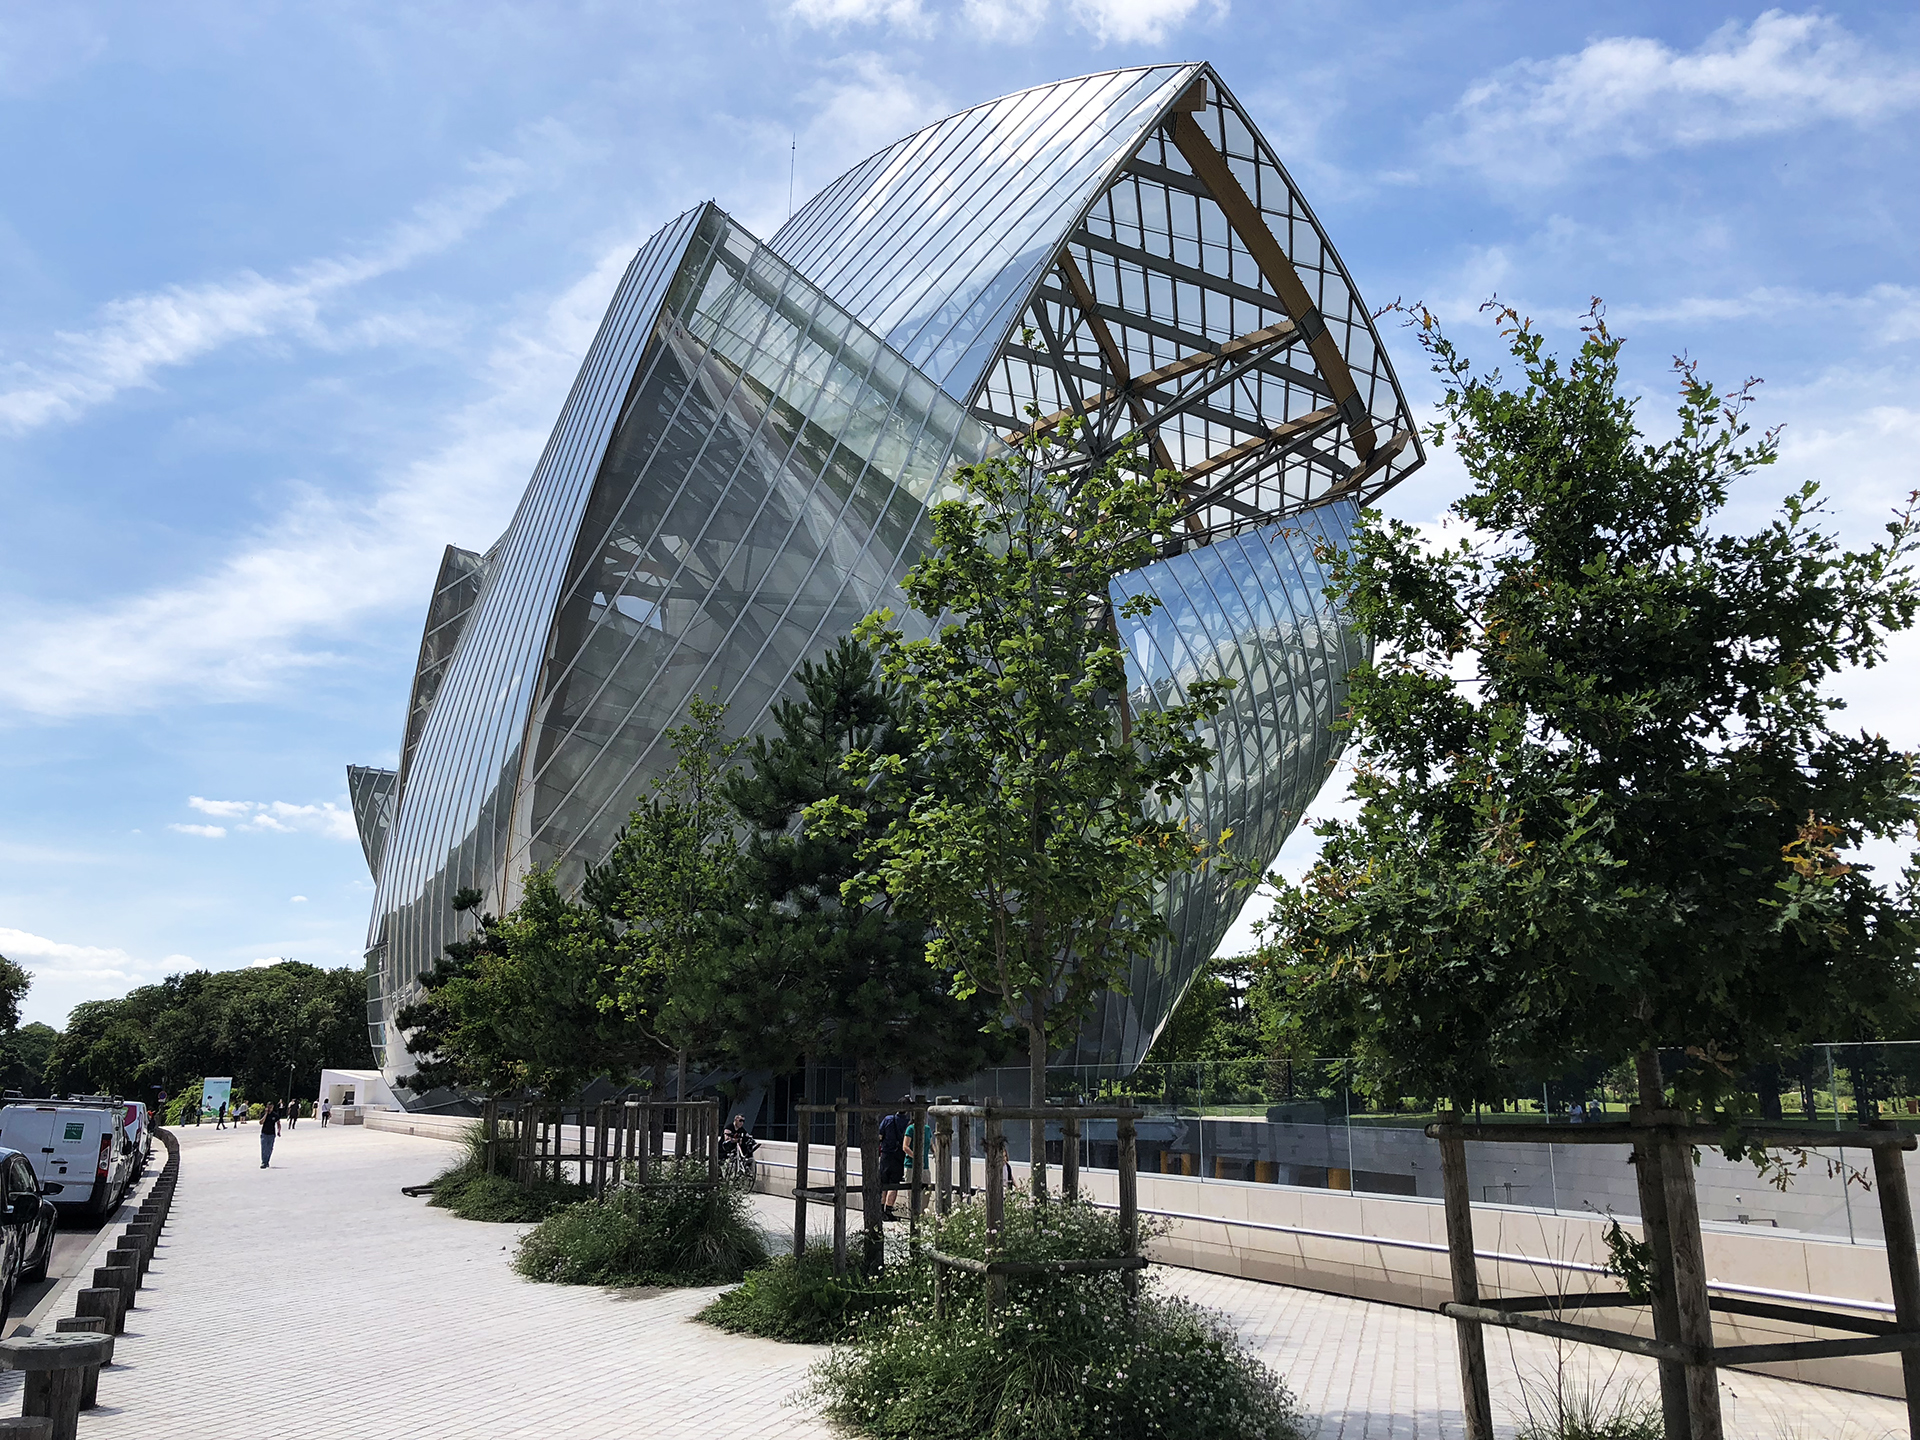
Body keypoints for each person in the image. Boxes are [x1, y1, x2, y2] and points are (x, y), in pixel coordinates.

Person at [877, 1107, 907, 1221]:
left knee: (883, 1183)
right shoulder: (907, 1122)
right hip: (899, 1156)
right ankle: (888, 1211)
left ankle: (880, 1210)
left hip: (886, 1155)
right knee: (894, 1185)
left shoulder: (888, 1119)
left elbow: (880, 1135)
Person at [260, 1101, 281, 1169]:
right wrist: (266, 1114)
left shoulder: (275, 1115)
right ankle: (263, 1162)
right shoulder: (263, 1114)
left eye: (271, 1107)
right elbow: (261, 1122)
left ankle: (267, 1161)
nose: (269, 1108)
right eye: (268, 1107)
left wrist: (279, 1131)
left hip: (272, 1134)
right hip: (264, 1133)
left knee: (269, 1149)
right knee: (264, 1148)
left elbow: (278, 1123)